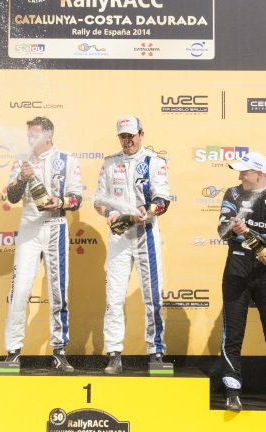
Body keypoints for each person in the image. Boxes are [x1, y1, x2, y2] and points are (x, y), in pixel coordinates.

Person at [217, 152, 266, 412]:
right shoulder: (233, 193)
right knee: (233, 335)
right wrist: (234, 229)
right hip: (236, 270)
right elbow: (222, 229)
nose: (240, 176)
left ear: (260, 173)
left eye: (245, 171)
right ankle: (232, 393)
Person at [4, 117, 83, 371]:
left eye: (35, 135)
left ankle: (59, 351)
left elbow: (77, 198)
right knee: (19, 290)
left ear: (48, 135)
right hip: (29, 228)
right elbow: (12, 197)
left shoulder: (67, 160)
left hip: (56, 226)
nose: (30, 139)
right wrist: (21, 179)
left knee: (58, 291)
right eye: (28, 135)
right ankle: (13, 351)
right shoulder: (22, 161)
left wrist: (60, 202)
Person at [94, 115, 171, 374]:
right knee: (114, 297)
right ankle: (114, 354)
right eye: (123, 136)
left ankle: (156, 352)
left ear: (141, 134)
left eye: (131, 135)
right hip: (119, 236)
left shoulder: (154, 162)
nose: (127, 141)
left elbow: (163, 200)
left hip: (145, 233)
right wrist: (109, 213)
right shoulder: (110, 163)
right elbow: (98, 201)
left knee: (152, 296)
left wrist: (146, 211)